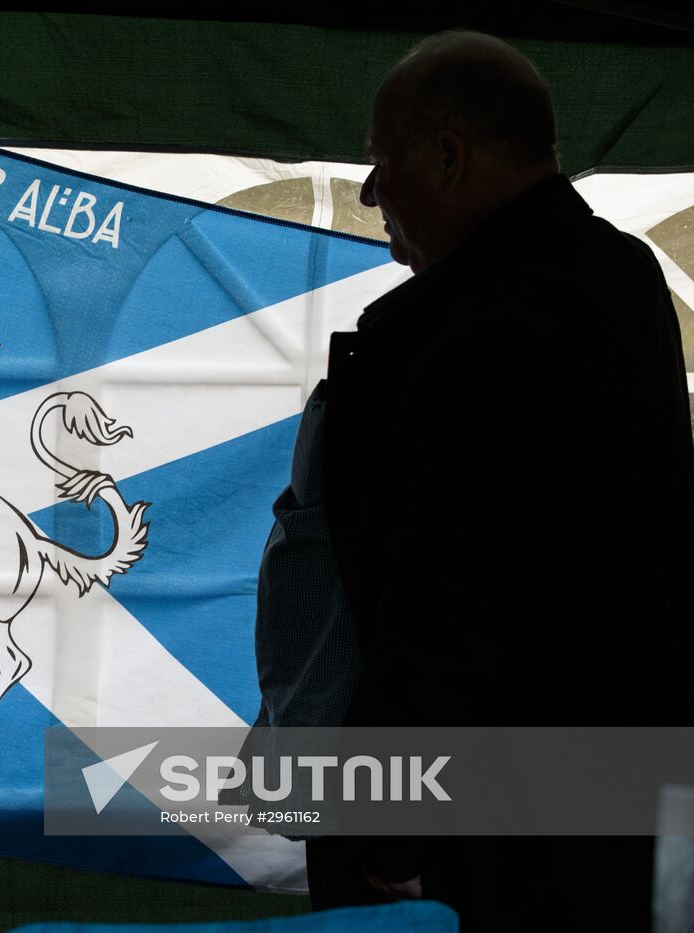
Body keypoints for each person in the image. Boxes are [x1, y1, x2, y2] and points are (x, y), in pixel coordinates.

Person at [260, 30, 693, 927]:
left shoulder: (454, 336)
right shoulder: (627, 279)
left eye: (382, 163)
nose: (374, 193)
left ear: (449, 156)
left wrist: (393, 829)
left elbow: (449, 600)